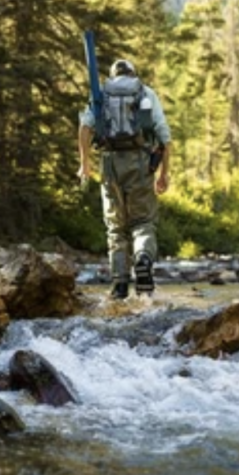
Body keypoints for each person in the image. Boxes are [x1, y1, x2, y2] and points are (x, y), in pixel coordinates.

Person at [77, 58, 171, 300]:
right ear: (132, 73)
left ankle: (120, 285)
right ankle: (143, 259)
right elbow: (164, 136)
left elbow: (85, 128)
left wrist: (85, 163)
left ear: (113, 75)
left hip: (109, 164)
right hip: (140, 162)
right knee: (143, 222)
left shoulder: (101, 94)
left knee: (116, 227)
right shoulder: (145, 92)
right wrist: (164, 173)